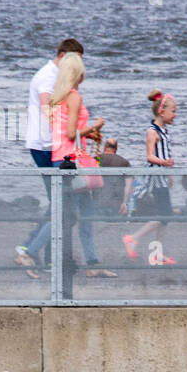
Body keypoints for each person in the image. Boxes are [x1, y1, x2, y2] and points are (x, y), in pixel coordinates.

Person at [16, 38, 84, 274]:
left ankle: (42, 254)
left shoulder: (61, 76)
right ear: (64, 55)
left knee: (60, 204)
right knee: (62, 206)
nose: (78, 64)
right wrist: (66, 130)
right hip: (46, 146)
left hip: (52, 145)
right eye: (75, 58)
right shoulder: (48, 75)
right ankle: (30, 251)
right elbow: (48, 107)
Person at [48, 52, 115, 278]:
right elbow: (70, 134)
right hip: (72, 163)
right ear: (78, 72)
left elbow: (62, 132)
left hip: (62, 158)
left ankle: (92, 263)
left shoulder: (58, 97)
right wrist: (95, 127)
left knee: (82, 213)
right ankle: (28, 249)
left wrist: (88, 136)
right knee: (68, 216)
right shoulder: (74, 96)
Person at [123, 89, 177, 264]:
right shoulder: (152, 131)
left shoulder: (164, 131)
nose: (175, 115)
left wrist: (167, 172)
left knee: (165, 217)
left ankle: (157, 252)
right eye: (173, 111)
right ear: (162, 111)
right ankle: (133, 237)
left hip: (161, 175)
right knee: (165, 214)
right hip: (155, 176)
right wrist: (164, 163)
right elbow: (149, 156)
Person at [97, 137, 133, 217]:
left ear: (104, 147)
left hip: (98, 203)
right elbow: (128, 186)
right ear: (116, 148)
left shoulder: (97, 159)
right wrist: (125, 203)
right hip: (117, 204)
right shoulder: (124, 162)